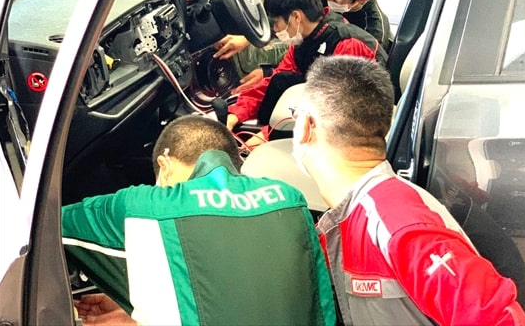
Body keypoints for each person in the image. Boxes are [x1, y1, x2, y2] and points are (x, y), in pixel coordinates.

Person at [291, 55, 525, 326]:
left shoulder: (396, 223)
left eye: (295, 114)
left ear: (306, 126)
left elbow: (498, 318)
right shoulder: (359, 215)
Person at [63, 114, 336, 326]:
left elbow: (50, 222)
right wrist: (138, 314)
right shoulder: (290, 199)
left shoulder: (146, 205)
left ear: (164, 166)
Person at [212, 0, 393, 94]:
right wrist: (250, 36)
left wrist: (269, 73)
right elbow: (287, 13)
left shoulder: (374, 31)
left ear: (360, 0)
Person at [226, 0, 387, 132]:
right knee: (280, 81)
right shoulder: (302, 40)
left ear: (296, 17)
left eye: (276, 22)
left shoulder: (346, 45)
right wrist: (237, 112)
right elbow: (276, 78)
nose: (274, 29)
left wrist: (267, 134)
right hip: (326, 107)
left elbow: (335, 112)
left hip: (358, 122)